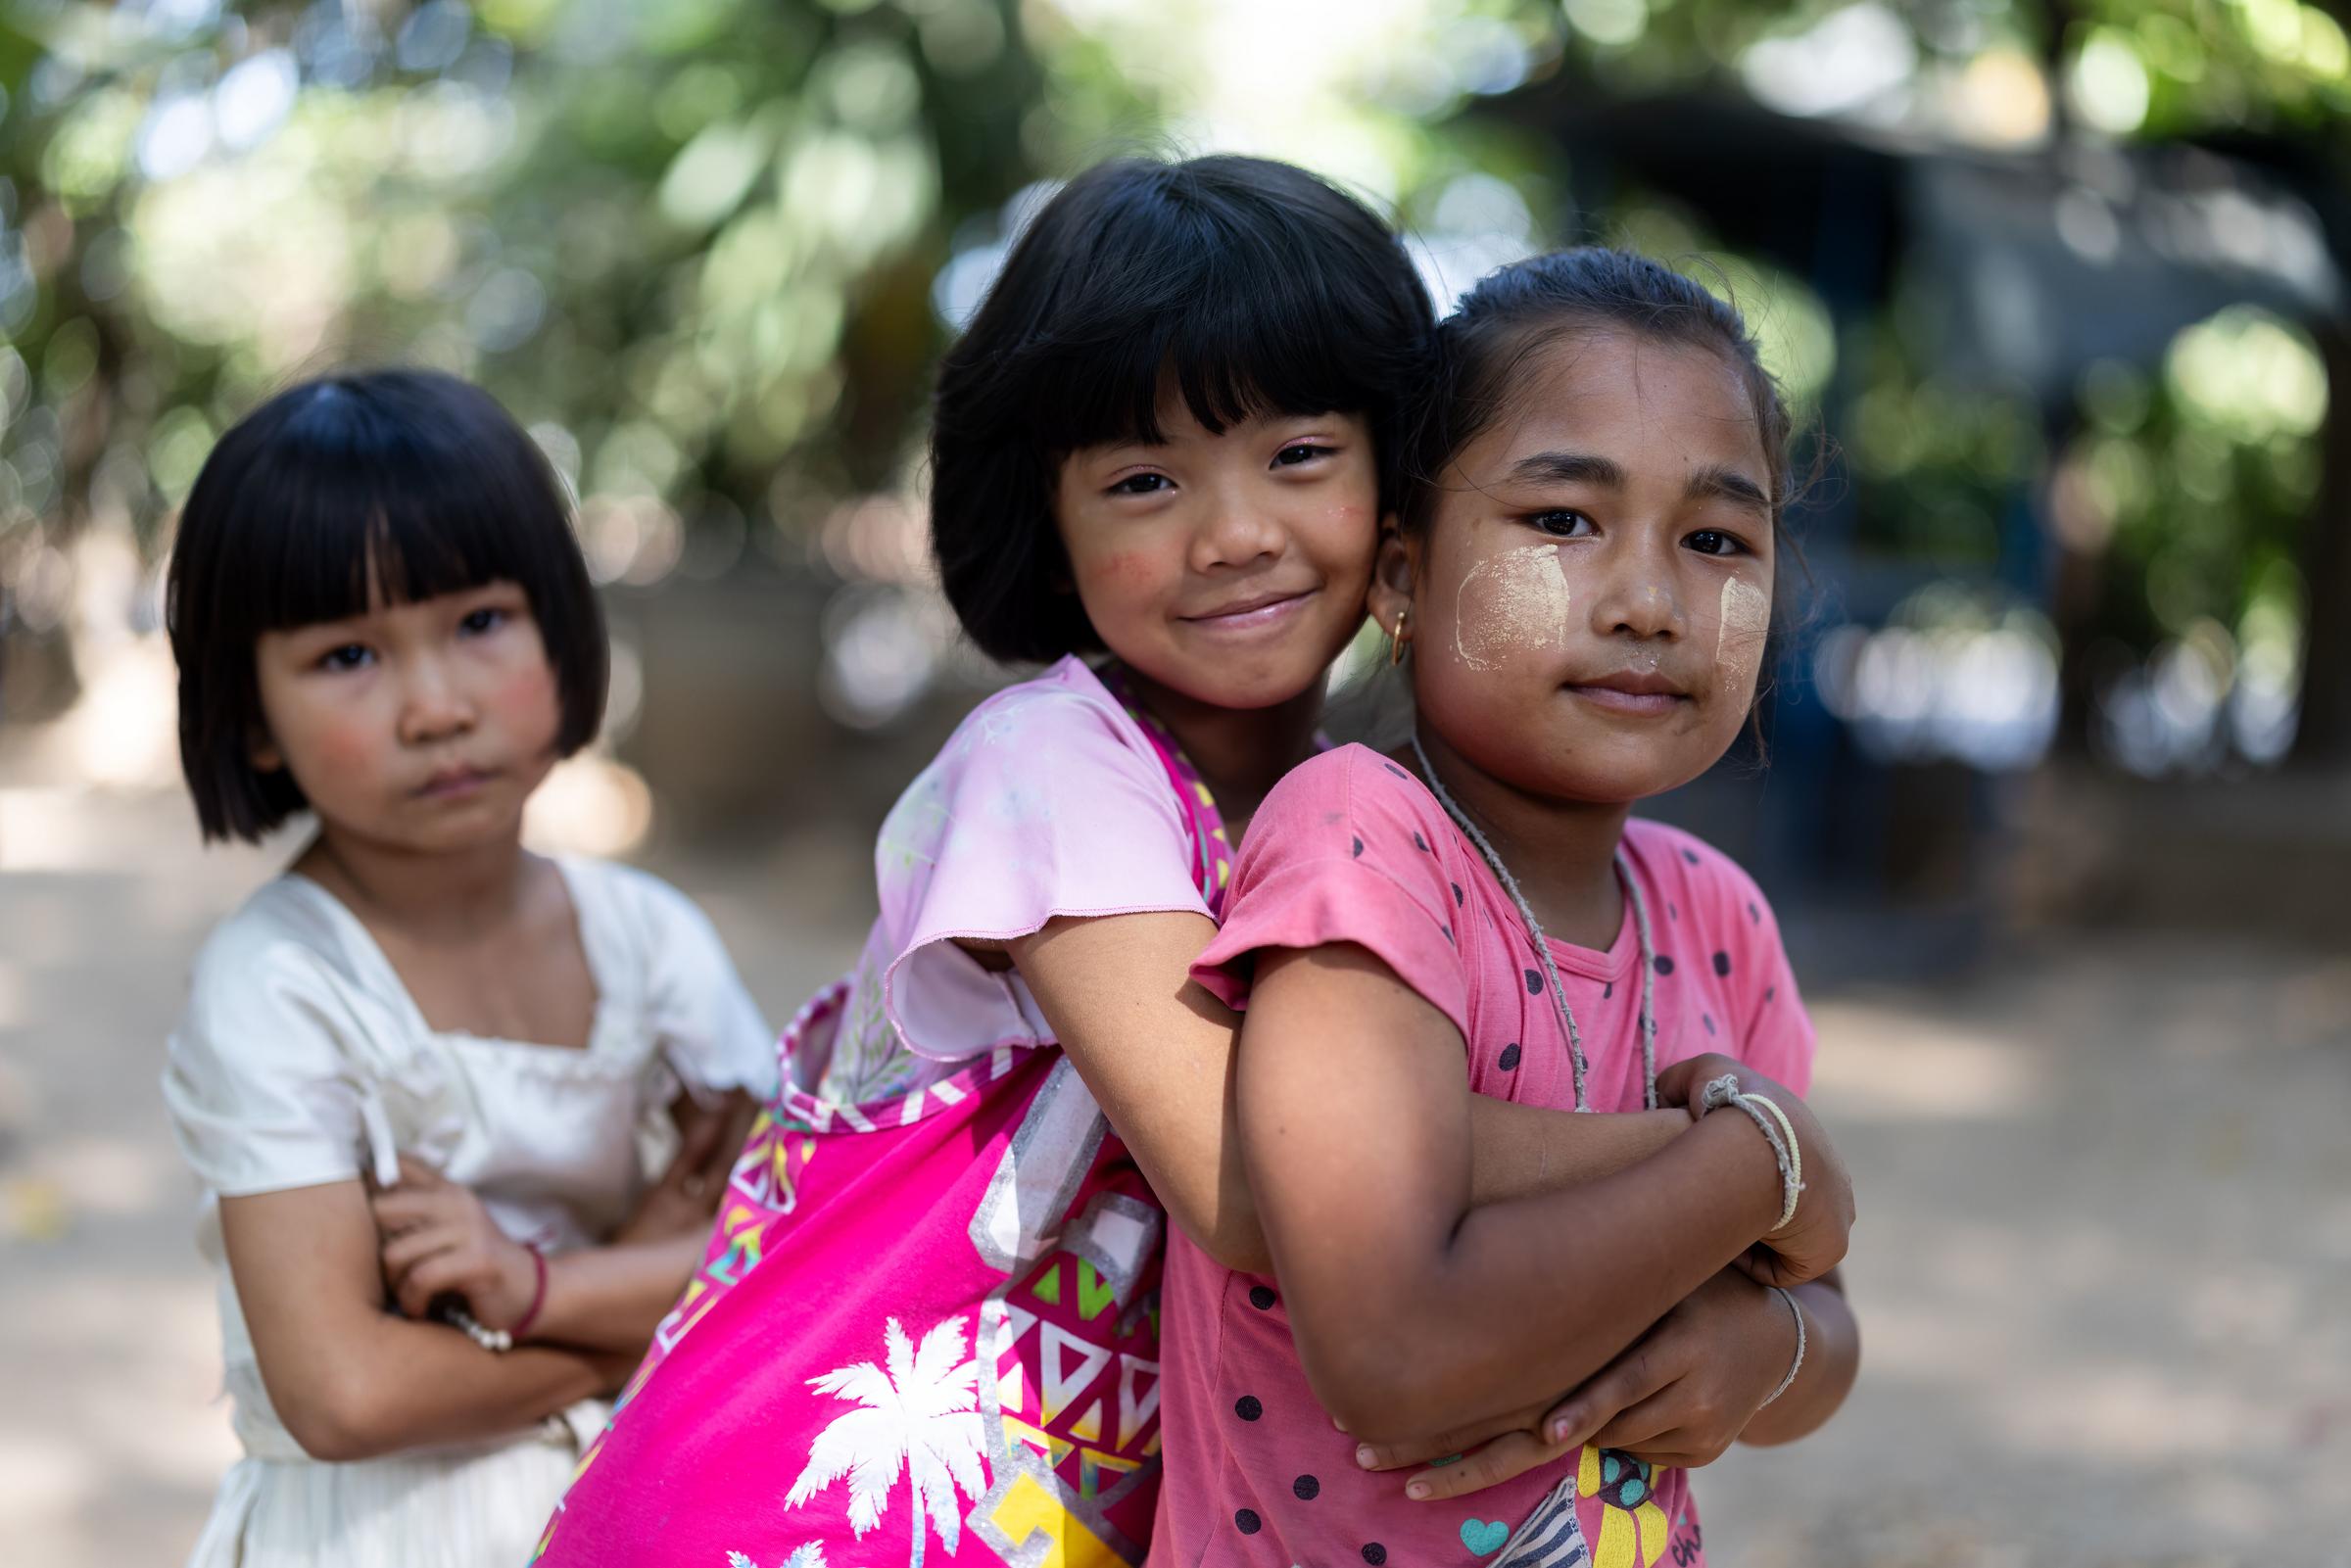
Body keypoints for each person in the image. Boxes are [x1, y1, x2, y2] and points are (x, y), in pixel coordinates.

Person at [531, 159, 1696, 1568]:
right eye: (1145, 481)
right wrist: (1730, 1165)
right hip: (789, 1511)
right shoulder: (1053, 766)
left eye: (1300, 455)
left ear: (1400, 480)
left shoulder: (1366, 818)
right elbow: (1262, 1185)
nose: (1236, 533)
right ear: (1049, 519)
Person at [1155, 248, 1863, 1568]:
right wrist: (1754, 1161)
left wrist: (1760, 1349)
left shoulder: (1718, 916)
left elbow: (1822, 1305)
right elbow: (1391, 1350)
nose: (1649, 603)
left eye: (1716, 540)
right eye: (1563, 520)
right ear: (1402, 577)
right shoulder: (1364, 842)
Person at [160, 369, 777, 1568]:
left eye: (481, 622)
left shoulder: (649, 939)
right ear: (251, 714)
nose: (436, 707)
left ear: (561, 625)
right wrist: (642, 1309)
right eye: (349, 653)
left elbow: (787, 1246)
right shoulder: (277, 983)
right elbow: (343, 1390)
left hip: (640, 1513)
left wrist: (530, 1286)